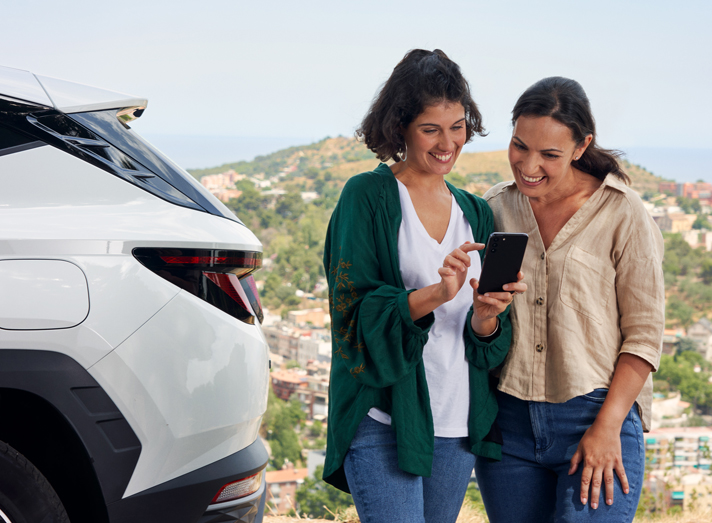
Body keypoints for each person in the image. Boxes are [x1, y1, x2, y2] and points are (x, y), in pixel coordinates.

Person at [321, 49, 527, 523]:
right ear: (400, 128)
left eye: (457, 127)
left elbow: (485, 344)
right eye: (430, 129)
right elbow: (353, 316)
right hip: (384, 415)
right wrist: (437, 293)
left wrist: (486, 316)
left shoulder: (475, 211)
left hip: (456, 419)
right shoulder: (367, 197)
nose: (447, 143)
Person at [476, 77, 665, 523]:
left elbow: (644, 337)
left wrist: (608, 427)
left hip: (596, 416)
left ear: (582, 147)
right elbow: (481, 326)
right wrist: (482, 316)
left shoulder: (623, 213)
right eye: (520, 146)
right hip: (507, 425)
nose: (528, 165)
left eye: (550, 155)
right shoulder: (495, 208)